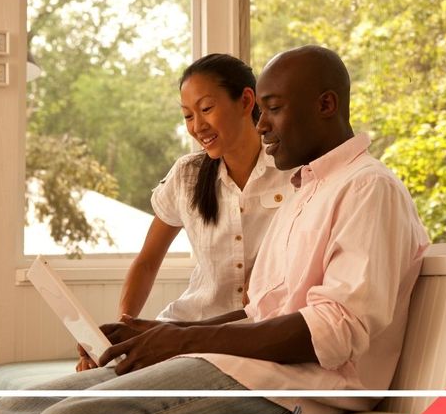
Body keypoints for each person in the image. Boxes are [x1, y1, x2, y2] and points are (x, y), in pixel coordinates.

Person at [0, 45, 429, 414]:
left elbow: (334, 333)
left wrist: (183, 339)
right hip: (245, 363)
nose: (262, 125)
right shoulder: (306, 188)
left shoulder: (369, 187)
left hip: (303, 382)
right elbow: (259, 311)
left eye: (273, 110)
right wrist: (157, 333)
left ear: (326, 105)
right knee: (17, 407)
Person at [77, 53, 296, 370]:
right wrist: (126, 329)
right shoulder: (187, 175)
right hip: (184, 328)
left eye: (206, 109)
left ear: (246, 101)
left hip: (250, 340)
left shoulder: (294, 171)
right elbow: (148, 261)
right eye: (187, 116)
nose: (197, 126)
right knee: (70, 393)